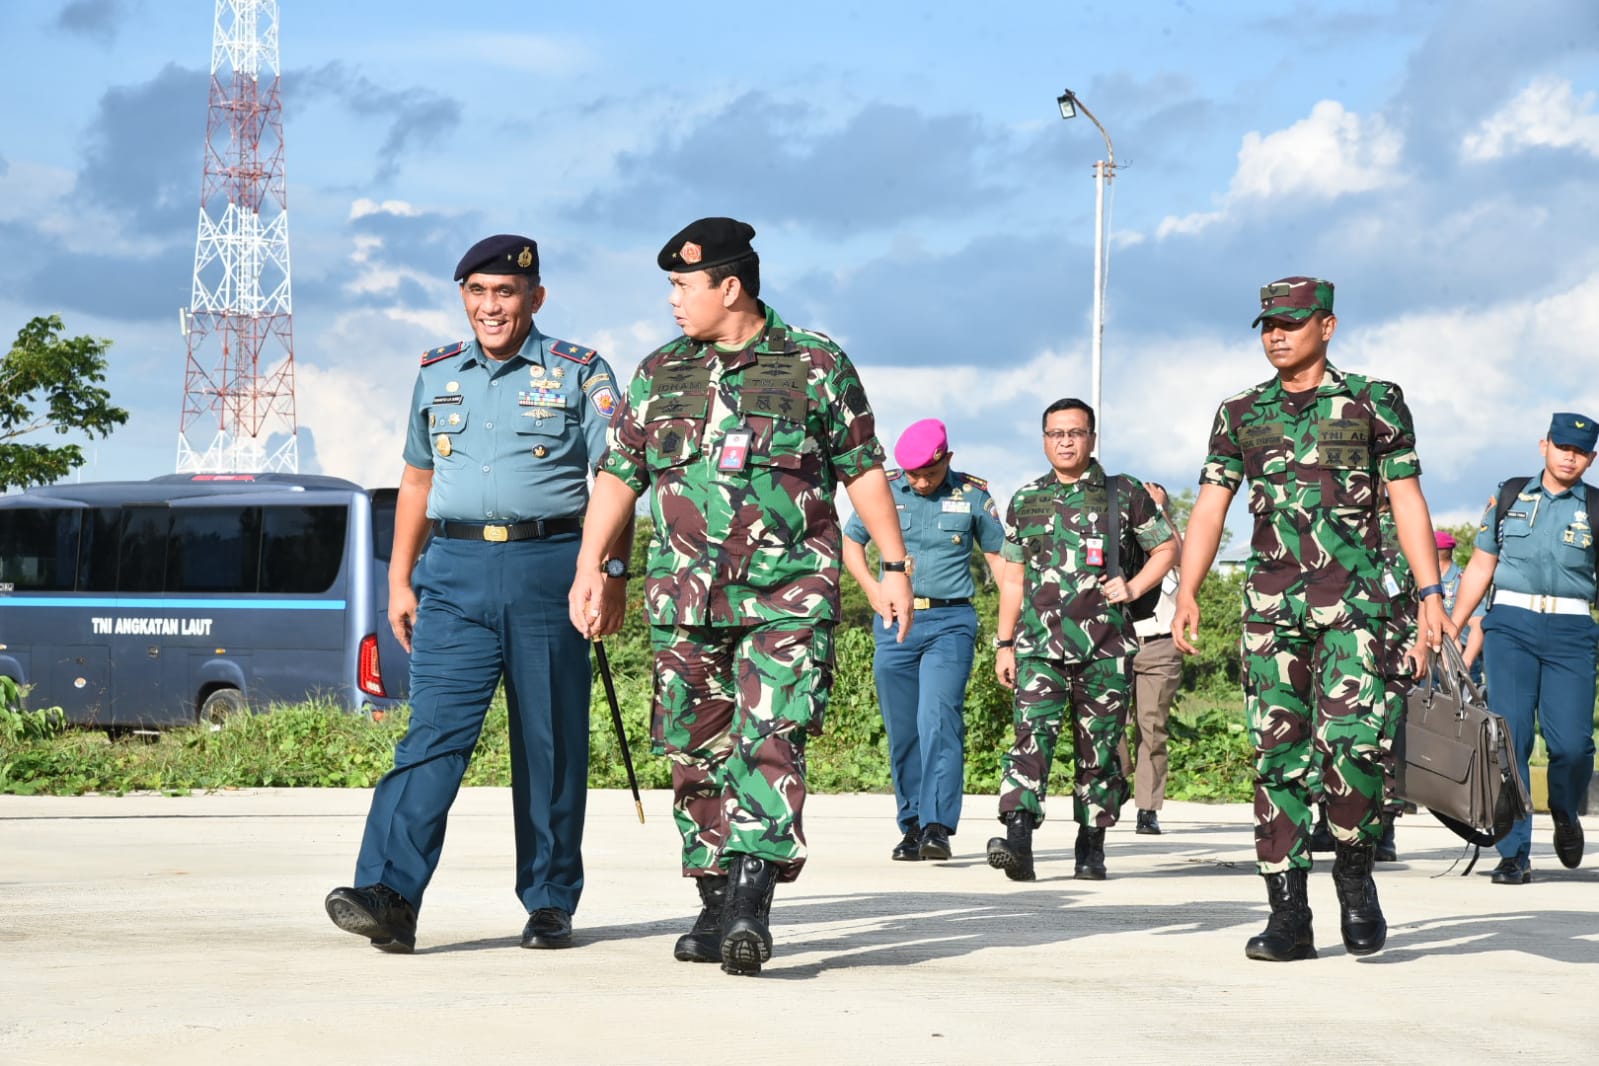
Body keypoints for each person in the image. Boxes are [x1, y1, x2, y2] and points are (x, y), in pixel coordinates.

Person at [567, 217, 913, 977]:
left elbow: (860, 466)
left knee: (771, 737)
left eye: (683, 286)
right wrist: (593, 564)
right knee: (693, 750)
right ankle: (714, 892)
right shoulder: (660, 372)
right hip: (684, 600)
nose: (672, 301)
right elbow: (621, 475)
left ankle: (752, 897)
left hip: (786, 595)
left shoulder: (813, 363)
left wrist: (893, 565)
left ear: (730, 286)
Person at [324, 234, 628, 954]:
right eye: (477, 292)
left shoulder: (580, 373)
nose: (490, 307)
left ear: (535, 298)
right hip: (453, 571)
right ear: (463, 297)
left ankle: (550, 899)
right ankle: (389, 893)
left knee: (549, 743)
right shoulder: (435, 373)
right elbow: (419, 480)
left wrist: (609, 575)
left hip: (549, 566)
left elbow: (617, 482)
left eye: (506, 293)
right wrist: (399, 578)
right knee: (431, 735)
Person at [1172, 276, 1445, 962]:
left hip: (1357, 605)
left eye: (1290, 323)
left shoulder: (1373, 402)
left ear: (1326, 326)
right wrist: (1187, 589)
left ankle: (1353, 873)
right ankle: (1287, 916)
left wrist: (1430, 593)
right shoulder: (1239, 412)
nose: (1275, 334)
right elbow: (1210, 506)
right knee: (1277, 759)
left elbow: (1406, 500)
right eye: (1266, 323)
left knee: (1353, 748)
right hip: (1270, 609)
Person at [985, 398, 1176, 882]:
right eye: (1055, 434)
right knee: (1031, 741)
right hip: (1036, 648)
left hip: (1105, 647)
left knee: (1101, 750)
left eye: (1074, 432)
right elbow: (1012, 578)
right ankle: (1019, 840)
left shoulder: (1123, 493)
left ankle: (1091, 844)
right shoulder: (1026, 499)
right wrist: (1003, 643)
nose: (1065, 441)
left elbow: (1167, 547)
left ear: (1092, 437)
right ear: (1044, 439)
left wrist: (1134, 587)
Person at [842, 419, 1004, 862]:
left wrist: (1013, 630)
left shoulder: (972, 496)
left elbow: (1001, 563)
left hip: (951, 622)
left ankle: (938, 826)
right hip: (894, 624)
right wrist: (872, 591)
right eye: (911, 473)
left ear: (946, 460)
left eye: (927, 474)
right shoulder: (888, 490)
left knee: (938, 719)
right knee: (903, 730)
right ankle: (911, 825)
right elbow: (850, 543)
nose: (919, 481)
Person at [1448, 412, 1598, 886]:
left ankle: (1565, 810)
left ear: (1591, 458)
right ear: (1543, 446)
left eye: (1579, 451)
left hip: (1572, 628)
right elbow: (1480, 565)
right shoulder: (1511, 495)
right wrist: (1451, 626)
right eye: (1561, 447)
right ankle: (1513, 852)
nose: (1569, 457)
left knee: (1572, 745)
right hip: (1510, 624)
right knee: (1508, 739)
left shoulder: (1595, 506)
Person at [1118, 482, 1184, 836]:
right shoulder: (1121, 538)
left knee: (1152, 728)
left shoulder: (1172, 541)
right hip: (1118, 640)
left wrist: (1161, 513)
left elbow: (1183, 558)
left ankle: (1148, 807)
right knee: (1110, 722)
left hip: (1159, 645)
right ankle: (1119, 779)